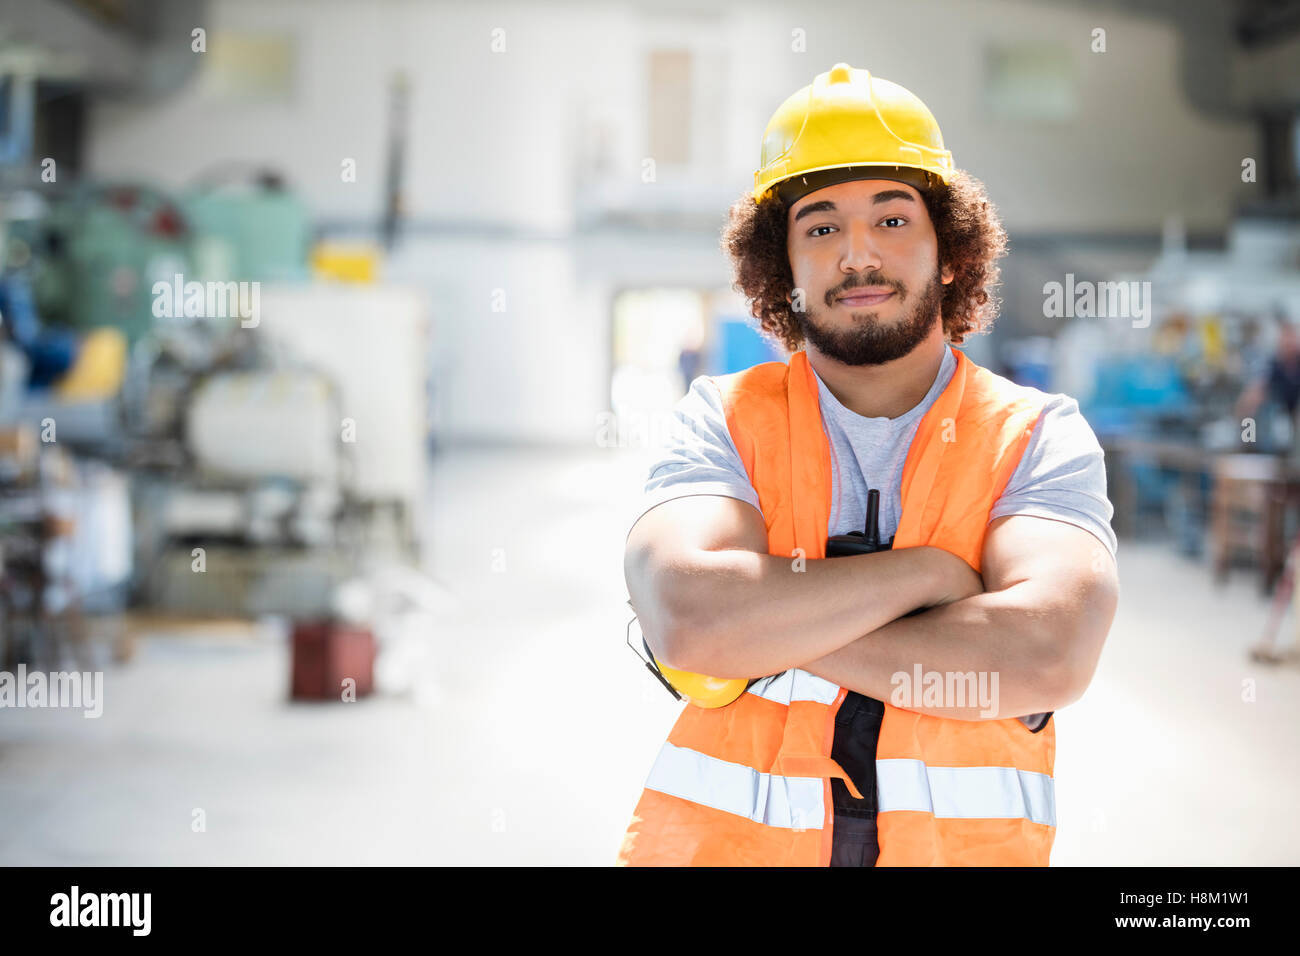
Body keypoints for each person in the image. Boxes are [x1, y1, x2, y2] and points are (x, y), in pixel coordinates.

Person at [617, 63, 1119, 866]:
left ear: (950, 253)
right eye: (819, 227)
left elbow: (1047, 653)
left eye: (892, 220)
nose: (857, 254)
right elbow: (688, 615)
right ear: (782, 271)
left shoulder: (1034, 435)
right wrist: (927, 576)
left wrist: (756, 631)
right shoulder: (725, 418)